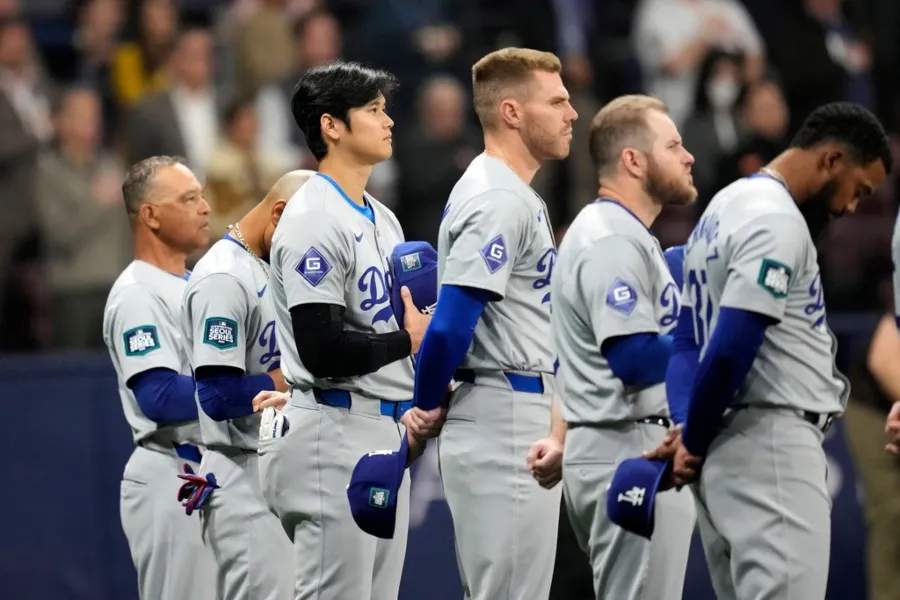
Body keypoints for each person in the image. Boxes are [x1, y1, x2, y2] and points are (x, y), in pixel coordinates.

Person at [665, 102, 891, 599]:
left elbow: (687, 339)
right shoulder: (776, 219)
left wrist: (689, 428)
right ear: (832, 160)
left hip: (729, 451)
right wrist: (693, 438)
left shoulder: (723, 207)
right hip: (769, 450)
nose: (853, 206)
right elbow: (728, 348)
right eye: (859, 189)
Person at [401, 47, 578, 600]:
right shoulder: (498, 196)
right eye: (557, 101)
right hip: (504, 417)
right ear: (512, 112)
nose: (571, 113)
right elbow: (451, 326)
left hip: (512, 406)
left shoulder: (508, 191)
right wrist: (425, 401)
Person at [258, 60, 437, 600]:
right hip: (329, 429)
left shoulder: (382, 217)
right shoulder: (314, 215)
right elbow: (322, 350)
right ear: (331, 126)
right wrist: (408, 341)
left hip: (379, 430)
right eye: (373, 110)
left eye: (387, 109)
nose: (389, 121)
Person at [552, 94, 698, 600]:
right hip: (625, 445)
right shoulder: (609, 237)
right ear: (633, 160)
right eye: (673, 145)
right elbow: (632, 357)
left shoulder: (624, 235)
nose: (688, 156)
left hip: (627, 442)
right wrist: (708, 343)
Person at [180, 169, 315, 599]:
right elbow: (217, 396)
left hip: (278, 468)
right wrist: (291, 378)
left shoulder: (271, 264)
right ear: (279, 214)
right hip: (242, 474)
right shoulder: (224, 276)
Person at [101, 155, 215, 599]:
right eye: (188, 199)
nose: (204, 207)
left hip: (210, 469)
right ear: (149, 215)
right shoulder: (136, 294)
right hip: (173, 472)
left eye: (202, 196)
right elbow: (161, 397)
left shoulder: (197, 283)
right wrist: (254, 387)